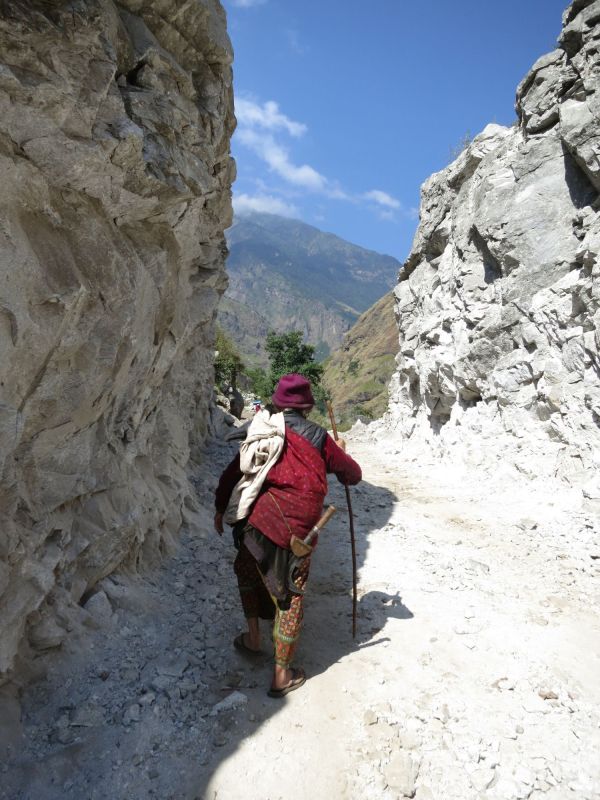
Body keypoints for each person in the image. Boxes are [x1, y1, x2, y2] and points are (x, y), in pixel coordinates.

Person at [214, 373, 361, 697]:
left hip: (259, 522)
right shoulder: (319, 437)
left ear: (278, 403)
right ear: (307, 406)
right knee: (290, 595)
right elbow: (352, 475)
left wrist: (220, 508)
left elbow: (233, 472)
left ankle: (254, 638)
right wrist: (341, 453)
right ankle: (281, 674)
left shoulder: (264, 431)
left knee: (247, 571)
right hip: (299, 534)